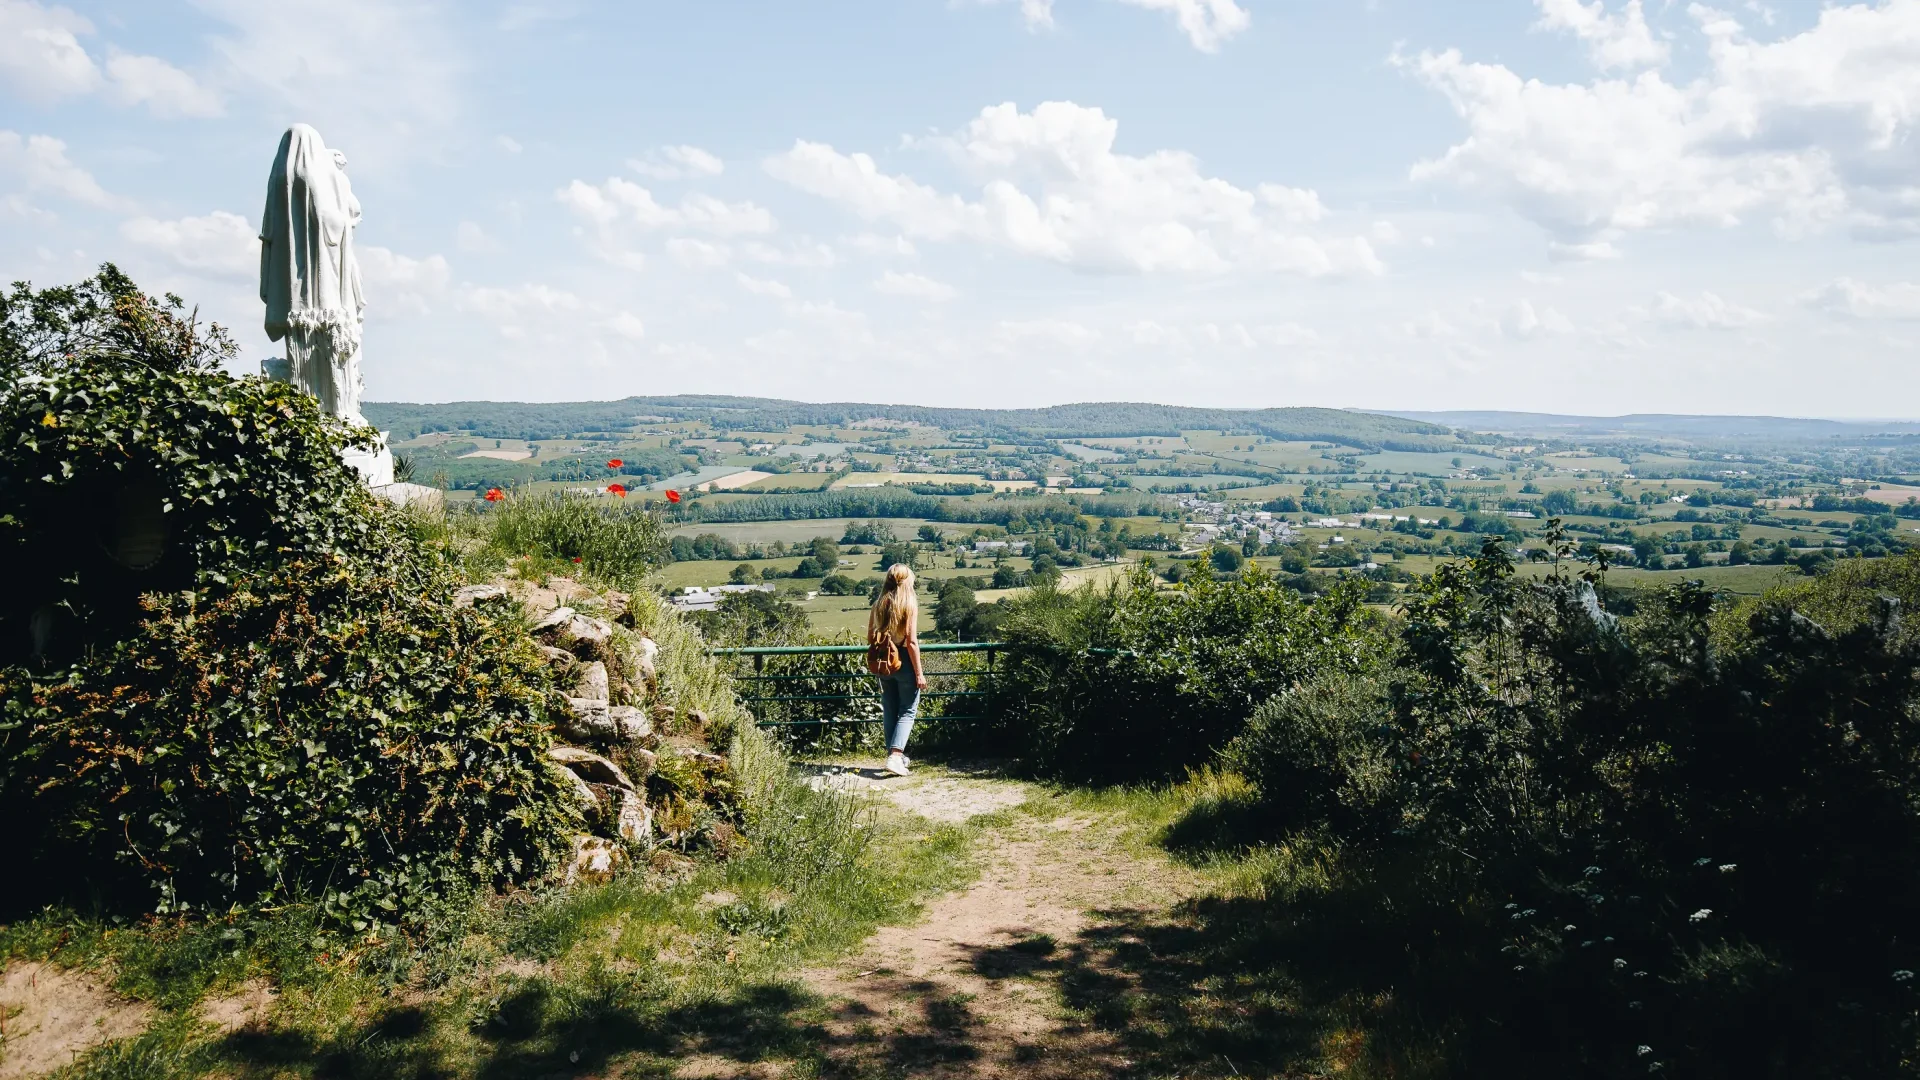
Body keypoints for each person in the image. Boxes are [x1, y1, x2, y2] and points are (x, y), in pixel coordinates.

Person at [868, 563, 926, 776]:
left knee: (890, 709)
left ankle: (896, 756)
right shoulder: (909, 604)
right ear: (906, 581)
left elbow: (870, 637)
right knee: (908, 709)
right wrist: (919, 673)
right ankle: (895, 756)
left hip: (884, 661)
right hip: (904, 660)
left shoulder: (878, 604)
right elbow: (911, 642)